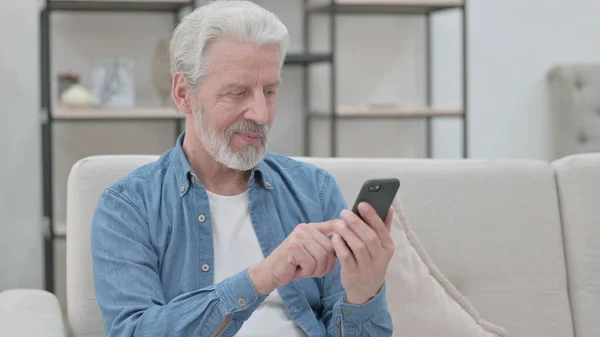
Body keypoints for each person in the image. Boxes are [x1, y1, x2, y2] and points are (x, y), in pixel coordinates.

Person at [91, 1, 395, 336]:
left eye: (270, 91)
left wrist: (364, 292)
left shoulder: (315, 190)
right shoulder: (128, 207)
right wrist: (264, 276)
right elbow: (134, 332)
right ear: (183, 94)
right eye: (237, 93)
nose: (261, 115)